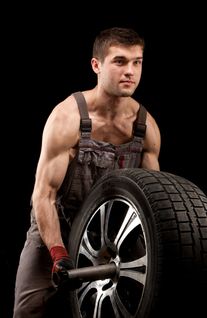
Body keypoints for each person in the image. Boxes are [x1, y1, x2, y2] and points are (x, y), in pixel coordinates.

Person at [13, 27, 161, 317]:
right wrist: (58, 254)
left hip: (110, 235)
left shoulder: (146, 129)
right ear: (97, 65)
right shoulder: (67, 118)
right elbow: (43, 196)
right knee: (28, 310)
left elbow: (151, 202)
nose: (130, 71)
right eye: (119, 61)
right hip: (58, 225)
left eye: (137, 62)